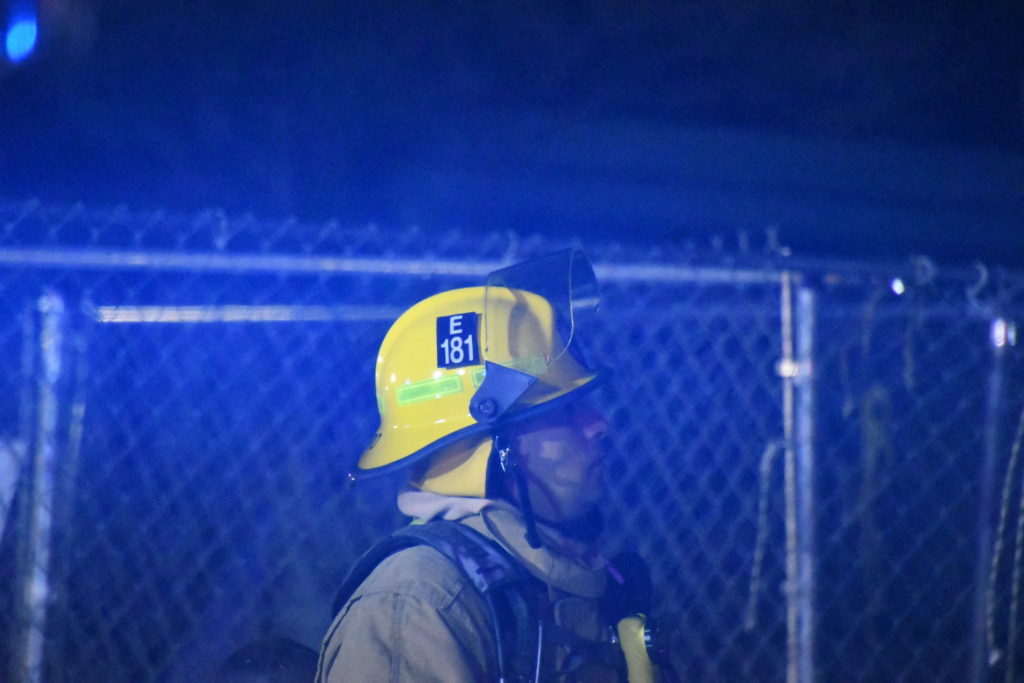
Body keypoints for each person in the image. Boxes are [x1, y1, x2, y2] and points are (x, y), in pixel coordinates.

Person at [316, 250, 662, 682]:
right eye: (563, 410)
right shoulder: (419, 603)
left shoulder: (566, 580)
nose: (599, 425)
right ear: (490, 447)